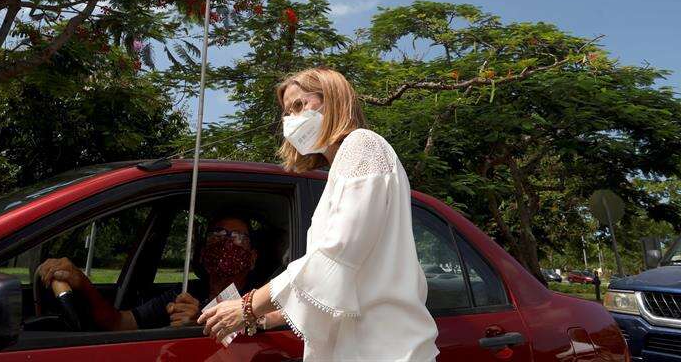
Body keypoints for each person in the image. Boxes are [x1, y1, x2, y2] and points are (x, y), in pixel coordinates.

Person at [199, 67, 439, 361]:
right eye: (287, 113)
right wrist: (261, 319)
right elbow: (333, 290)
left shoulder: (362, 145)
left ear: (333, 99)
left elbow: (335, 255)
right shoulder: (339, 169)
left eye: (300, 105)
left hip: (384, 348)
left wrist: (247, 306)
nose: (292, 120)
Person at [37, 214, 282, 331]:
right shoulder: (185, 292)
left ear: (252, 258)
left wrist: (197, 326)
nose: (226, 244)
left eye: (237, 238)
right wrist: (82, 283)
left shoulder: (262, 295)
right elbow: (119, 323)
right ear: (202, 251)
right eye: (217, 235)